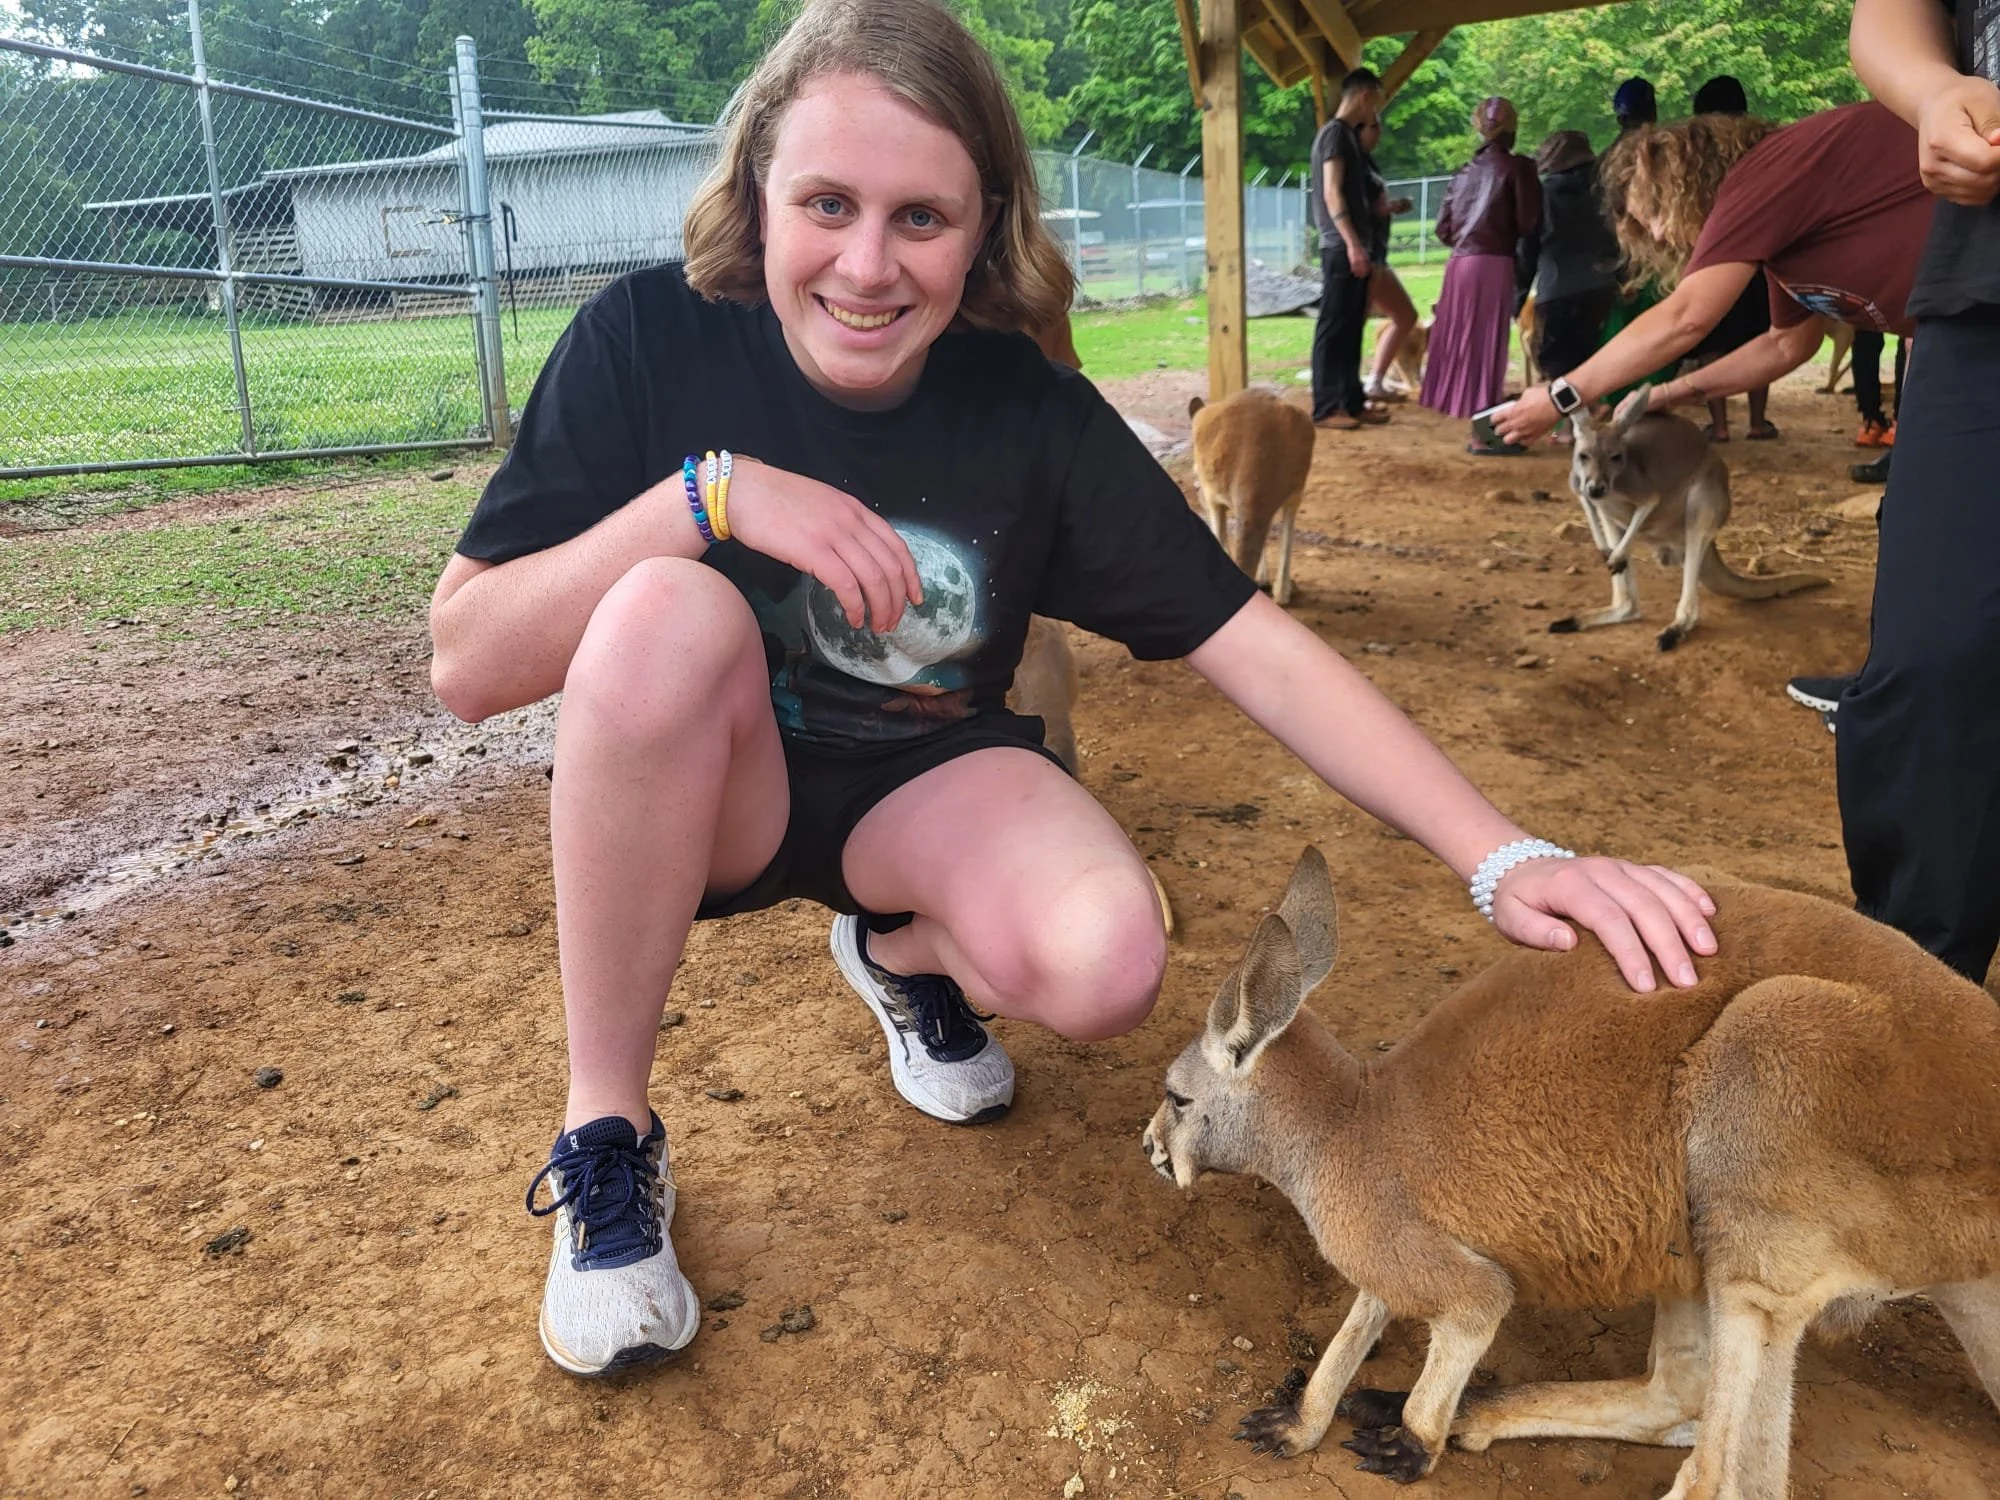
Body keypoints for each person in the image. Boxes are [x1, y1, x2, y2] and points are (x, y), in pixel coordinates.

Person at [428, 0, 1719, 1379]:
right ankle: (606, 1131)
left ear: (988, 226)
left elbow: (1252, 640)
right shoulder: (649, 340)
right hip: (712, 787)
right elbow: (469, 662)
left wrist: (1500, 854)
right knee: (662, 608)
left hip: (915, 788)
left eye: (922, 218)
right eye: (826, 203)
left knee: (1110, 960)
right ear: (756, 193)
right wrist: (710, 497)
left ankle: (896, 951)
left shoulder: (1024, 408)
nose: (868, 264)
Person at [1838, 0, 2000, 983]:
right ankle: (1913, 1018)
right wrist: (1936, 91)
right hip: (1986, 283)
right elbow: (1887, 21)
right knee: (1930, 671)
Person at [1493, 102, 1934, 453]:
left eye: (1660, 211)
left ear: (1687, 178)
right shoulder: (1781, 238)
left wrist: (1562, 395)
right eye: (1649, 230)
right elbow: (1786, 345)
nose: (1663, 234)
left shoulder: (1758, 177)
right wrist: (1667, 394)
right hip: (1950, 324)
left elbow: (1687, 315)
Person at [1423, 97, 1542, 436]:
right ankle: (1483, 433)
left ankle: (1470, 411)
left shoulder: (1462, 172)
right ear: (1513, 129)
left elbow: (1444, 228)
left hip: (1458, 265)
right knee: (1487, 347)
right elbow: (1527, 221)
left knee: (1463, 344)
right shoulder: (1518, 168)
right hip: (1493, 263)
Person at [1685, 76, 1778, 442]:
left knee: (1713, 339)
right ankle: (1757, 421)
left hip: (1711, 250)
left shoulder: (1695, 150)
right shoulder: (1760, 143)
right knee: (1759, 335)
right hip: (1758, 253)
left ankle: (1720, 425)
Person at [1310, 69, 1391, 429]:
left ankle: (1351, 401)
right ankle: (1327, 407)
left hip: (1353, 247)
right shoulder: (1334, 136)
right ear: (1365, 96)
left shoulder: (1346, 138)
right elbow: (1332, 191)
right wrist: (1354, 244)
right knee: (1334, 327)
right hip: (1341, 248)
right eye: (1377, 99)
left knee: (1351, 326)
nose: (1376, 109)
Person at [1528, 131, 1620, 402]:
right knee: (1594, 356)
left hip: (1556, 287)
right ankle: (1592, 415)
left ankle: (1568, 424)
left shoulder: (1543, 194)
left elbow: (1528, 245)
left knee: (1558, 362)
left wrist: (1519, 292)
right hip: (1601, 283)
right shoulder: (1605, 190)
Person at [1357, 113, 1421, 404]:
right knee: (1353, 320)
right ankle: (1343, 386)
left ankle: (1375, 380)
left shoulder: (1367, 162)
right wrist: (1386, 209)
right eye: (1373, 125)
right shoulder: (1349, 161)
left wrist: (1391, 207)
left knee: (1405, 315)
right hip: (1363, 254)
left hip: (1377, 255)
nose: (1379, 131)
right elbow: (1344, 206)